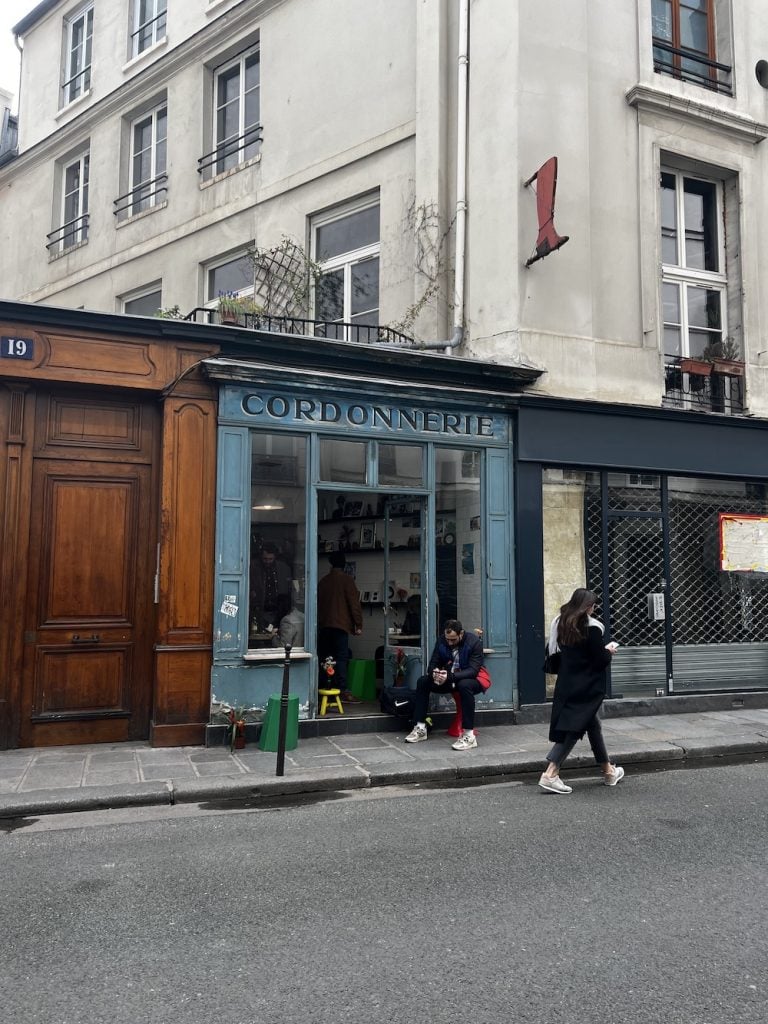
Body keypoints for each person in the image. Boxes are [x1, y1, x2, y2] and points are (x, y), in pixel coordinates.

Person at [539, 588, 624, 794]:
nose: (594, 610)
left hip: (567, 682)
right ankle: (550, 774)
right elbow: (599, 660)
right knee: (573, 727)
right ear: (588, 606)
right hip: (587, 684)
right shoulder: (592, 627)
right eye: (593, 606)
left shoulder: (560, 622)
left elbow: (553, 651)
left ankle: (608, 770)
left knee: (591, 723)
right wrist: (608, 651)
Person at [405, 619, 484, 750]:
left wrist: (450, 676)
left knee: (465, 685)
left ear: (461, 633)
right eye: (448, 639)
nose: (450, 642)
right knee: (423, 681)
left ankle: (469, 736)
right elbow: (433, 663)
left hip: (470, 679)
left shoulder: (474, 642)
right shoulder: (442, 640)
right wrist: (434, 673)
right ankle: (420, 727)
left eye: (453, 639)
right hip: (448, 678)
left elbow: (473, 670)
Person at [317, 551, 363, 703]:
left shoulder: (323, 581)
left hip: (324, 626)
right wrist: (358, 624)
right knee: (341, 658)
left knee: (325, 658)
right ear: (343, 564)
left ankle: (324, 687)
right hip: (340, 626)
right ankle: (343, 690)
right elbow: (354, 604)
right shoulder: (347, 580)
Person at [250, 542, 292, 631]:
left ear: (275, 557)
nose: (268, 561)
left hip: (278, 610)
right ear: (261, 557)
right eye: (265, 559)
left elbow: (288, 589)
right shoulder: (253, 567)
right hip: (259, 608)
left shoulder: (283, 568)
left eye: (270, 559)